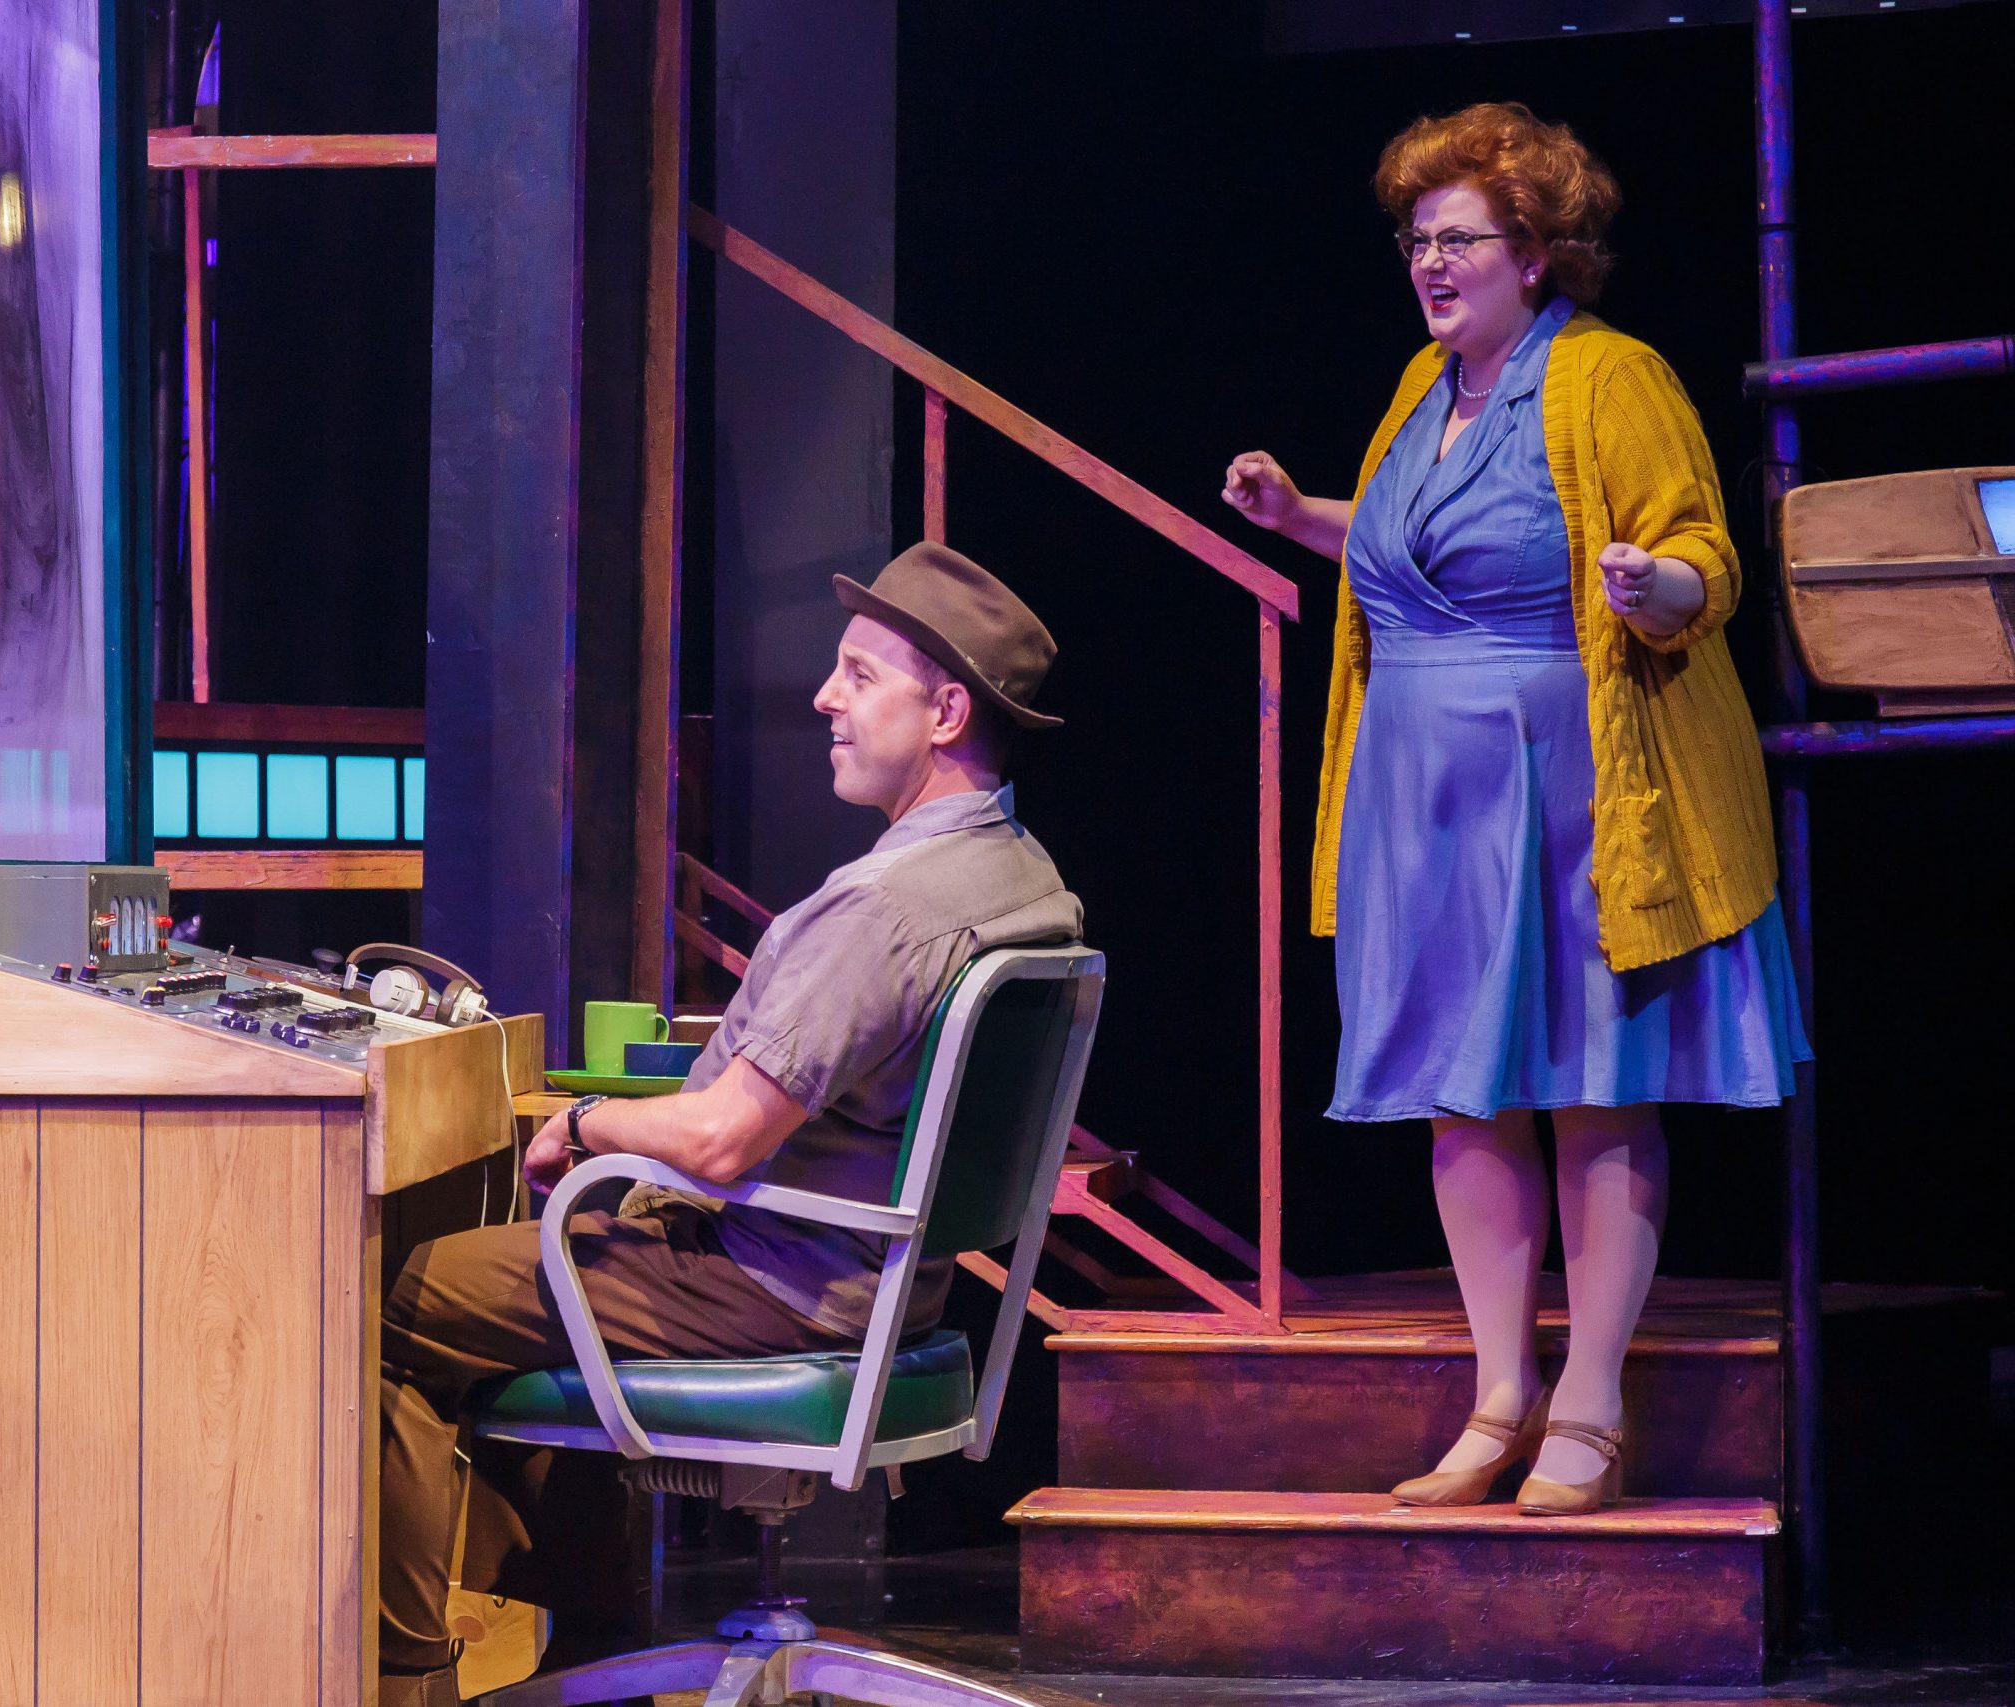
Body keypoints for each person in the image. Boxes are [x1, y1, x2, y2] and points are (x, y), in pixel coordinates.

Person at [1220, 103, 1808, 1515]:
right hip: (1421, 804)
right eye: (1415, 239)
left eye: (1459, 238)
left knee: (1594, 1088)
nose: (1430, 262)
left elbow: (1705, 554)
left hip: (1568, 786)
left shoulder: (1609, 375)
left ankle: (1591, 1403)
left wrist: (1653, 587)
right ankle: (1501, 1396)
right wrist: (1302, 517)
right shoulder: (1422, 390)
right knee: (1463, 1103)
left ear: (1536, 253)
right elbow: (1413, 548)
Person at [377, 541, 1082, 1705]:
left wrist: (591, 1125)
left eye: (860, 675)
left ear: (947, 712)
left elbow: (720, 1144)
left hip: (779, 1281)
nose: (825, 698)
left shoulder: (884, 909)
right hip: (884, 1285)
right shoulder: (1023, 880)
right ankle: (588, 1660)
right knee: (544, 1269)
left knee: (395, 1304)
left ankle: (409, 1684)